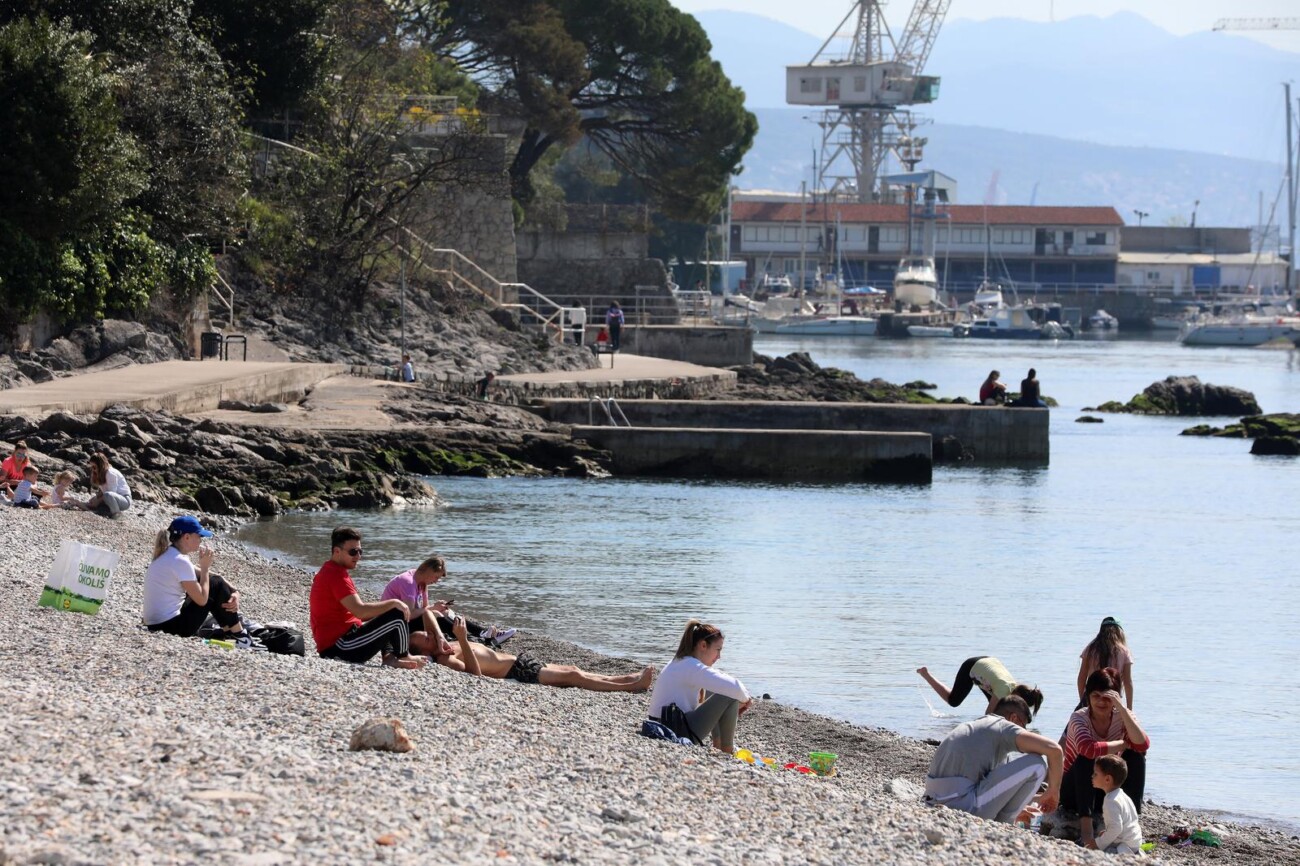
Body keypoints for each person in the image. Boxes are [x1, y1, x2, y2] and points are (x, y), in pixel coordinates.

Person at [923, 695, 1063, 823]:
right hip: (961, 805)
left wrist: (1028, 804)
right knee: (1037, 764)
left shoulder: (978, 728)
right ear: (1013, 719)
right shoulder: (1002, 727)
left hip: (933, 799)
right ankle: (1005, 824)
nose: (1024, 731)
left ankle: (1009, 818)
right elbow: (1055, 750)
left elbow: (996, 787)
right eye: (1023, 726)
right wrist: (1053, 791)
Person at [309, 526, 426, 669]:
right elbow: (361, 612)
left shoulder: (334, 571)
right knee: (397, 612)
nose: (358, 556)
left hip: (344, 641)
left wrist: (387, 609)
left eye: (360, 551)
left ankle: (389, 658)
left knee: (389, 611)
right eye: (353, 552)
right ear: (337, 551)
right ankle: (403, 655)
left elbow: (360, 615)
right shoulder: (335, 575)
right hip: (339, 647)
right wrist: (394, 602)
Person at [1059, 667, 1151, 848]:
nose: (1101, 701)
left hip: (1107, 789)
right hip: (1075, 791)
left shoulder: (1123, 717)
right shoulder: (1079, 718)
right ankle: (1086, 831)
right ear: (1087, 697)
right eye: (1096, 696)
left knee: (1136, 756)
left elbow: (1142, 745)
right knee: (1086, 758)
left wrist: (1123, 710)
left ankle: (1132, 822)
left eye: (1107, 697)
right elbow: (1087, 749)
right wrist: (1122, 744)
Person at [410, 627, 653, 692]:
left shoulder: (444, 644)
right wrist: (463, 639)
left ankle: (624, 677)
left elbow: (429, 616)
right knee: (573, 677)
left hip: (519, 660)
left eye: (430, 633)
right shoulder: (445, 659)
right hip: (516, 673)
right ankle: (632, 686)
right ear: (427, 652)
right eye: (428, 639)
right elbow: (475, 675)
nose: (433, 636)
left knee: (573, 668)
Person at [144, 516, 259, 649]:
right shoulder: (180, 561)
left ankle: (231, 634)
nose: (201, 540)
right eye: (199, 536)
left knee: (214, 582)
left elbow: (214, 577)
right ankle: (240, 636)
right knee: (214, 585)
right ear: (186, 537)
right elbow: (202, 600)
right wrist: (205, 568)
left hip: (156, 625)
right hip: (171, 628)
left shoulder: (168, 554)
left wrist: (235, 591)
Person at [646, 620, 752, 753]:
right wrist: (746, 700)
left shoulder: (682, 661)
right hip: (674, 730)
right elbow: (735, 687)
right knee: (728, 694)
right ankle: (727, 749)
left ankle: (718, 743)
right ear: (703, 645)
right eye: (718, 650)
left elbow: (723, 681)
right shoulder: (692, 667)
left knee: (717, 689)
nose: (719, 656)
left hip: (663, 724)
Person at [381, 556, 516, 649]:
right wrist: (432, 608)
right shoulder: (408, 582)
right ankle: (478, 639)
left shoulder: (422, 583)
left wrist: (436, 607)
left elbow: (423, 608)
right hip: (394, 625)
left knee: (445, 612)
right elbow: (409, 614)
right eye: (436, 577)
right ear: (428, 571)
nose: (436, 581)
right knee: (438, 616)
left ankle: (482, 633)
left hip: (405, 621)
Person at [917, 657, 1044, 718]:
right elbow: (988, 715)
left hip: (989, 661)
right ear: (1019, 697)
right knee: (954, 701)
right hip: (971, 666)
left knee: (999, 708)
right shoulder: (1004, 689)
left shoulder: (1013, 687)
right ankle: (926, 674)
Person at [1089, 755, 1144, 854]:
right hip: (1134, 841)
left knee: (1097, 853)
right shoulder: (1122, 795)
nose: (1092, 776)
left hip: (1124, 846)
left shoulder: (1111, 801)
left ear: (1107, 779)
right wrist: (1106, 832)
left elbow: (1116, 828)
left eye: (1095, 774)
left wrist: (1098, 843)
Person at [1077, 617, 1135, 710]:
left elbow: (1081, 678)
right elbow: (1128, 682)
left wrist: (1083, 700)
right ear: (1120, 632)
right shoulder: (1124, 651)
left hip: (1092, 697)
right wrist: (1129, 709)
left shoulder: (1091, 649)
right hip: (1112, 698)